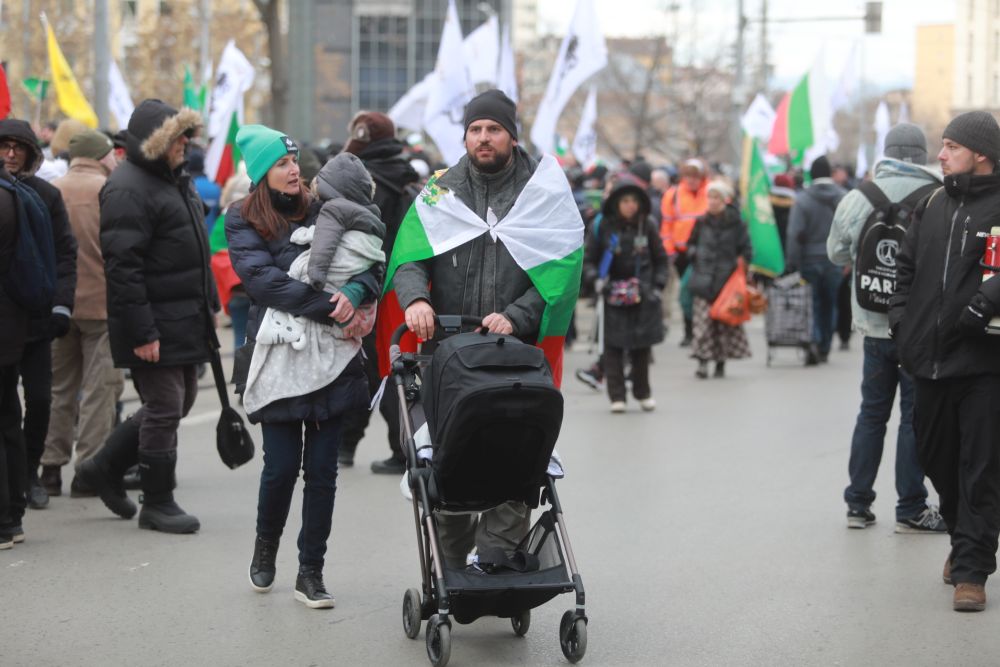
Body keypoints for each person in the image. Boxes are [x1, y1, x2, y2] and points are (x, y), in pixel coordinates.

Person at [391, 89, 582, 568]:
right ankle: (453, 568)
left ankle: (498, 563)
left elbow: (561, 269)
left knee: (514, 454)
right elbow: (410, 257)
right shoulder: (439, 190)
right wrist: (414, 299)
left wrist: (516, 316)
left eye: (493, 129)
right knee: (451, 459)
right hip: (448, 353)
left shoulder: (543, 191)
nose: (483, 137)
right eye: (475, 129)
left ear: (512, 137)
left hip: (515, 352)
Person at [226, 126, 378, 608]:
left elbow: (370, 263)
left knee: (322, 472)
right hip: (277, 357)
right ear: (262, 174)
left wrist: (353, 294)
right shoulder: (242, 218)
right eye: (281, 164)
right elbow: (262, 281)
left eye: (295, 161)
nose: (294, 170)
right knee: (280, 468)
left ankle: (311, 571)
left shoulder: (325, 205)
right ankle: (265, 544)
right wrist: (329, 304)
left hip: (333, 356)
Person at [76, 99, 215, 535]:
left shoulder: (175, 180)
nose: (186, 145)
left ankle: (104, 465)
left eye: (187, 136)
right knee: (164, 405)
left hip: (184, 315)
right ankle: (157, 501)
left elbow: (194, 247)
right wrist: (142, 331)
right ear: (156, 141)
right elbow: (123, 267)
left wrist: (207, 306)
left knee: (182, 400)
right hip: (153, 320)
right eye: (178, 137)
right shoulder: (128, 187)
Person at [889, 110, 1000, 612]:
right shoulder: (932, 202)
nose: (941, 154)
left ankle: (972, 570)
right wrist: (899, 321)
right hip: (927, 362)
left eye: (951, 146)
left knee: (979, 467)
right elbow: (906, 268)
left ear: (980, 154)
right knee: (936, 458)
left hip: (983, 364)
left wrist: (989, 298)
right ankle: (962, 537)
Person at [828, 123, 946, 535]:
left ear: (887, 151)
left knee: (871, 413)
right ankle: (911, 507)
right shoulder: (937, 196)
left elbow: (835, 252)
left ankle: (858, 504)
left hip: (874, 325)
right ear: (922, 152)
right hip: (917, 326)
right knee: (913, 418)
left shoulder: (859, 196)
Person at [40, 131, 125, 498]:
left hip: (59, 305)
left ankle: (49, 466)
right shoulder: (110, 190)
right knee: (98, 391)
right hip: (103, 306)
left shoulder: (51, 189)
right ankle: (87, 469)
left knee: (59, 389)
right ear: (100, 155)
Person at [0, 119, 78, 512]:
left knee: (42, 400)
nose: (11, 153)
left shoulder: (45, 195)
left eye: (19, 147)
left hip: (39, 319)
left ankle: (30, 471)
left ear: (32, 152)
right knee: (6, 409)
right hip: (4, 323)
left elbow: (65, 253)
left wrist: (62, 305)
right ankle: (14, 482)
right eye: (4, 146)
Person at [340, 111, 420, 473]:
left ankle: (350, 444)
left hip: (366, 284)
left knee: (368, 368)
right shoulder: (407, 177)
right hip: (403, 283)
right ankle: (405, 446)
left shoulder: (360, 178)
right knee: (394, 365)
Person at [582, 176, 667, 412]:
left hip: (644, 294)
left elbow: (661, 259)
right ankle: (617, 396)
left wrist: (657, 287)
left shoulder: (647, 225)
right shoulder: (603, 227)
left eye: (634, 200)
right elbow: (589, 260)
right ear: (616, 202)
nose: (631, 205)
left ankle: (643, 393)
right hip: (612, 293)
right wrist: (596, 281)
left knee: (642, 347)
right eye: (625, 200)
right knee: (613, 348)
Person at [686, 180, 752, 378]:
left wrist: (739, 266)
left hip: (726, 282)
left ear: (724, 200)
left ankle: (720, 362)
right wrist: (695, 255)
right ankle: (702, 362)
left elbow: (746, 250)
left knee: (723, 324)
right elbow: (690, 245)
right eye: (710, 197)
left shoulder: (736, 223)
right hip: (702, 279)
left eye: (716, 197)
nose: (712, 202)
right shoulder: (701, 222)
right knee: (702, 325)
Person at [786, 156, 846, 364]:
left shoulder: (803, 199)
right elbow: (852, 231)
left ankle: (814, 338)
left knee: (811, 304)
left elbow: (795, 233)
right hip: (835, 260)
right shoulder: (843, 197)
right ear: (830, 173)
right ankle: (825, 346)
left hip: (809, 260)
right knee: (831, 304)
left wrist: (792, 262)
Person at [0, 166, 30, 548]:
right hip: (11, 321)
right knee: (9, 419)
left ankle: (5, 522)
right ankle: (15, 516)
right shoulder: (11, 193)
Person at [661, 158, 708, 346]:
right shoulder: (673, 195)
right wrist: (669, 250)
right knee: (686, 295)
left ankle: (700, 331)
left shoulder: (712, 192)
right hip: (681, 254)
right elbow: (667, 225)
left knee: (698, 295)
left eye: (695, 176)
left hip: (705, 253)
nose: (691, 180)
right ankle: (690, 331)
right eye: (688, 176)